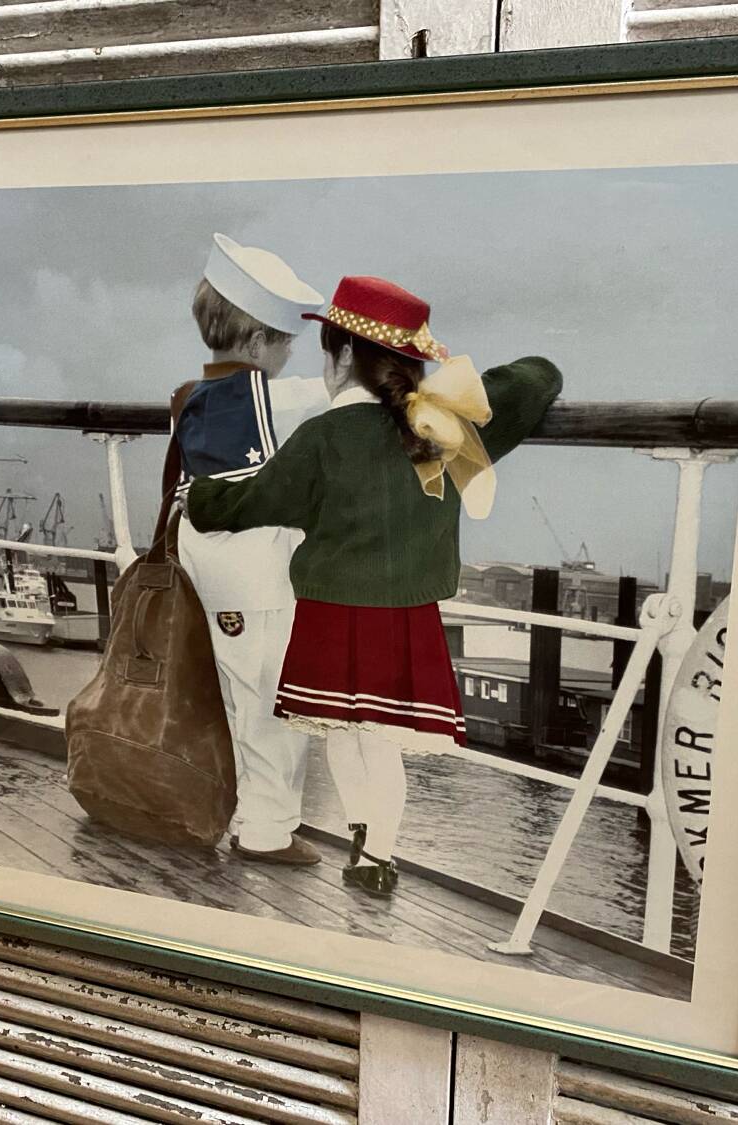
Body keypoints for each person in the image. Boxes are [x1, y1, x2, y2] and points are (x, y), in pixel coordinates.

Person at [185, 275, 563, 896]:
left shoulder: (321, 438)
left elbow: (250, 501)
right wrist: (438, 388)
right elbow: (536, 375)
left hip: (330, 613)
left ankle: (363, 836)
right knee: (383, 743)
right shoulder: (444, 428)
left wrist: (201, 495)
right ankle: (377, 855)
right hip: (405, 615)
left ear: (337, 356)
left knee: (342, 730)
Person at [173, 233, 331, 866]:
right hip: (255, 571)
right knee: (272, 702)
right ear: (263, 341)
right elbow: (361, 398)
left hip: (204, 561)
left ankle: (232, 808)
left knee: (236, 693)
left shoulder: (190, 396)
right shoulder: (283, 400)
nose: (292, 356)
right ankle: (265, 831)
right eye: (287, 342)